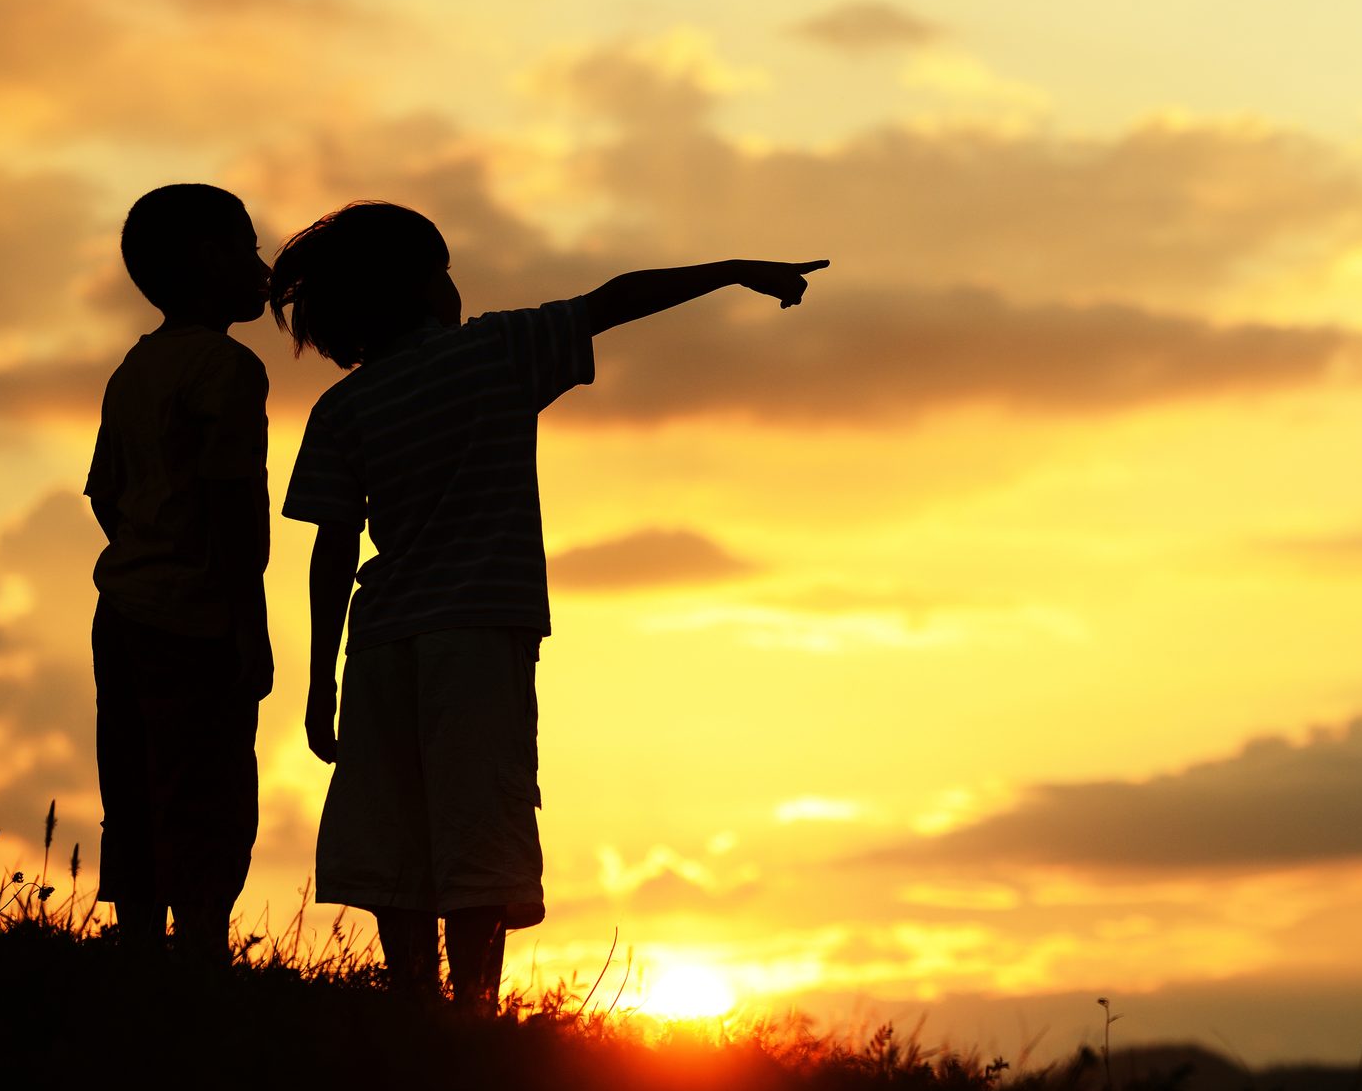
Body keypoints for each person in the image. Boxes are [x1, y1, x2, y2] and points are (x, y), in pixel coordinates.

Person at [273, 199, 825, 1007]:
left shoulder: (342, 408)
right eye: (445, 270)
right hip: (477, 637)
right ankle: (473, 1015)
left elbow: (331, 549)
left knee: (394, 835)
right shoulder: (495, 351)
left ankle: (413, 1008)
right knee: (478, 827)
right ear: (421, 284)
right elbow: (617, 298)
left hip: (382, 641)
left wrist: (319, 680)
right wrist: (735, 270)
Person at [85, 183, 273, 966]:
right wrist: (248, 624)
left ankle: (136, 947)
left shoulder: (136, 366)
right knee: (209, 790)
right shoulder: (228, 369)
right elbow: (235, 511)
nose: (262, 267)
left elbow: (104, 491)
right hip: (195, 621)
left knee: (130, 783)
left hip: (123, 609)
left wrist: (147, 549)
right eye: (246, 248)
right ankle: (199, 952)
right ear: (208, 261)